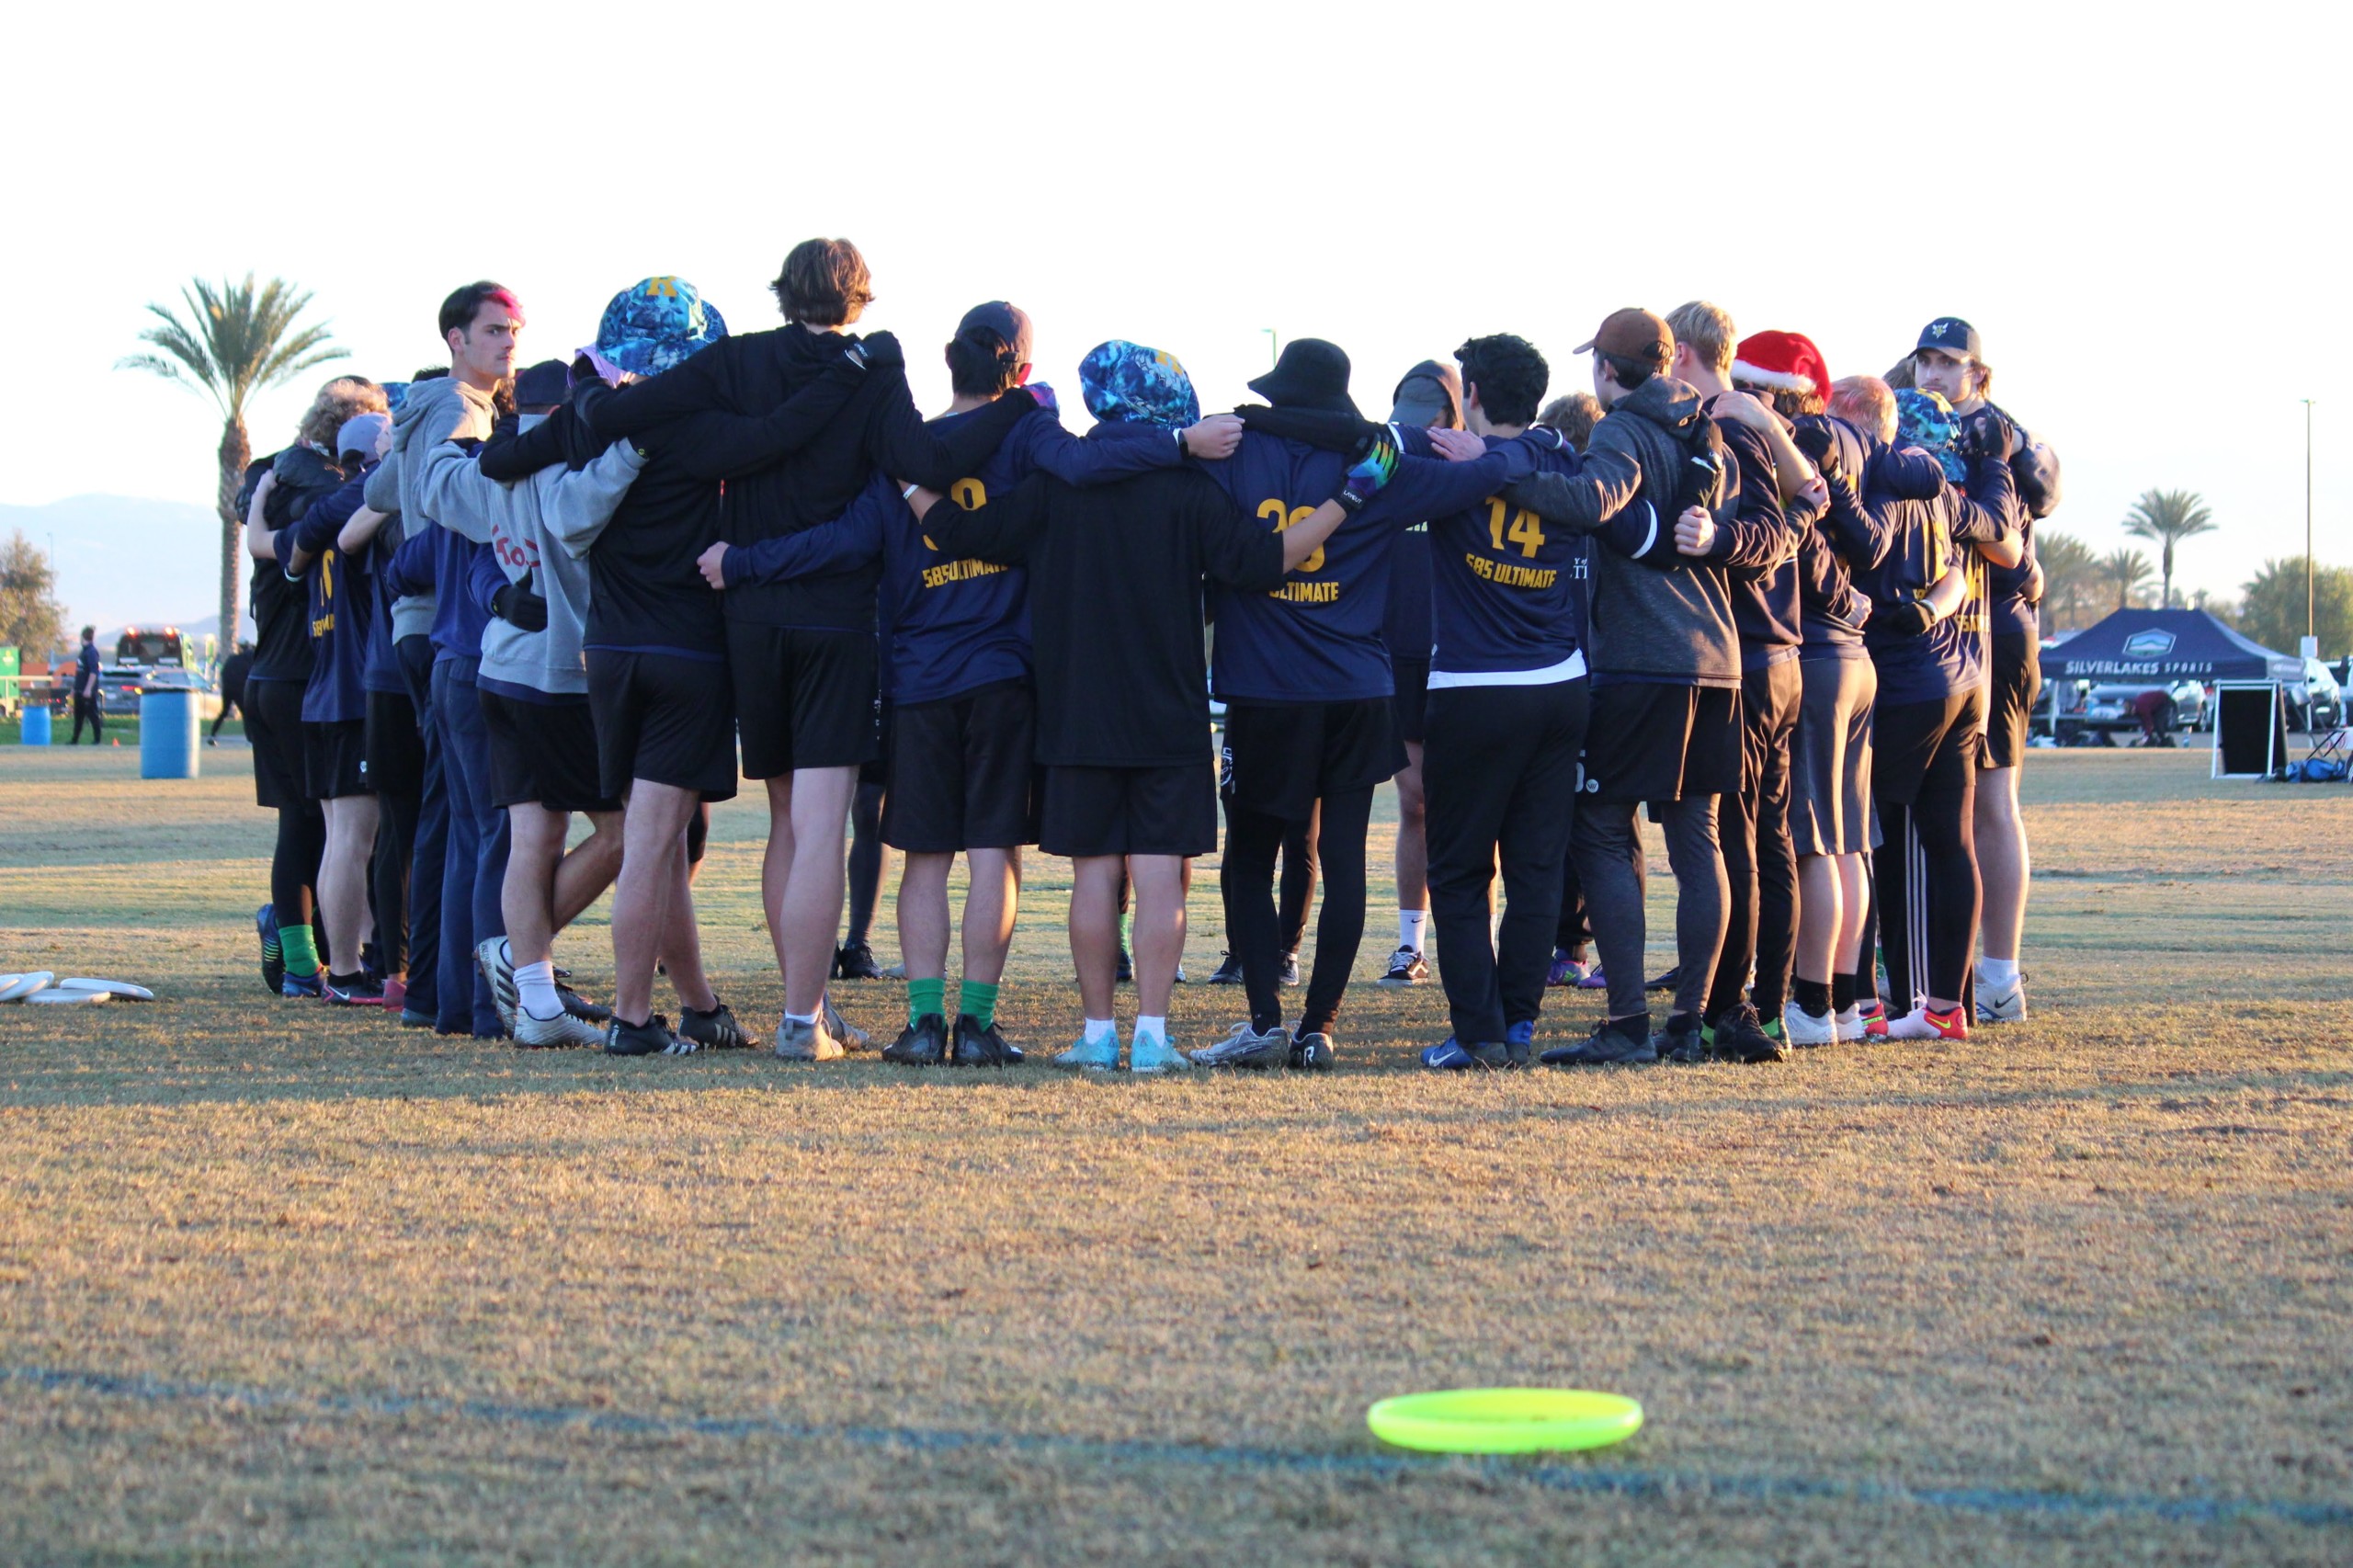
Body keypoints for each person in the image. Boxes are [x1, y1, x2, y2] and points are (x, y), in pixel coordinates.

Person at [705, 303, 1238, 1065]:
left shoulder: (902, 451)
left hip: (919, 681)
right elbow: (1094, 466)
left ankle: (925, 1023)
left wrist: (745, 562)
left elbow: (844, 540)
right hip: (1005, 678)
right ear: (1019, 372)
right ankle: (978, 1025)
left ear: (947, 362)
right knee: (994, 853)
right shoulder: (1032, 438)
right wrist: (1180, 443)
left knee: (924, 856)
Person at [569, 239, 1049, 1062]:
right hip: (835, 620)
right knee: (824, 826)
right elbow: (928, 461)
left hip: (746, 617)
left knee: (786, 824)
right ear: (859, 297)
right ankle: (801, 1020)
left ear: (784, 292)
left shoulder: (735, 361)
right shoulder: (874, 371)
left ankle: (807, 1012)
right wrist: (1021, 403)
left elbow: (615, 415)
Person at [905, 340, 1365, 1072]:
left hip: (1074, 712)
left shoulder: (1056, 483)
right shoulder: (1189, 490)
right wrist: (1347, 502)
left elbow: (961, 532)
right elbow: (1264, 559)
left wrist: (907, 480)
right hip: (1169, 712)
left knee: (1094, 876)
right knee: (1157, 878)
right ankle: (1152, 1035)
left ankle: (1096, 1034)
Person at [480, 276, 874, 1055]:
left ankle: (691, 1005)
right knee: (653, 847)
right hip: (687, 655)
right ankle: (633, 1020)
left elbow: (512, 461)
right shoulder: (701, 433)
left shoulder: (597, 428)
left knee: (652, 838)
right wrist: (849, 374)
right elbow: (782, 436)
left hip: (611, 655)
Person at [1189, 338, 1569, 1070]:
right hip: (1356, 689)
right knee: (1342, 859)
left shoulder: (1233, 447)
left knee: (1249, 860)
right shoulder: (1380, 461)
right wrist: (1532, 449)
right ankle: (1320, 1026)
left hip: (1264, 686)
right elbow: (1473, 483)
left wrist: (1189, 437)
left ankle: (1266, 1019)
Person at [1528, 309, 1768, 1067]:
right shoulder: (1712, 430)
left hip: (1640, 661)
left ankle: (1629, 1023)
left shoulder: (1620, 429)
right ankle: (1688, 1021)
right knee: (1696, 839)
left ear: (1606, 369)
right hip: (1718, 660)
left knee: (1601, 828)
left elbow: (1591, 501)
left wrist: (1505, 471)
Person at [417, 358, 652, 1047]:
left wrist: (427, 416)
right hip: (561, 675)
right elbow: (578, 515)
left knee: (532, 839)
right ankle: (519, 962)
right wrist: (638, 443)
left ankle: (538, 1001)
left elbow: (431, 487)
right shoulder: (562, 466)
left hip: (499, 667)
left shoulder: (491, 465)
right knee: (623, 835)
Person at [1664, 303, 1816, 1063]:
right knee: (1768, 841)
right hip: (1779, 657)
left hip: (1748, 657)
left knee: (1740, 843)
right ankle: (1763, 1004)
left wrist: (1717, 538)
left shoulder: (1722, 423)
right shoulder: (1755, 419)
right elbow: (1810, 497)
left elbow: (1756, 534)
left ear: (1684, 353)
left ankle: (1738, 1007)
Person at [1848, 382, 2023, 1040]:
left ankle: (1862, 1000)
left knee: (1863, 841)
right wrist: (1996, 466)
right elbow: (1996, 535)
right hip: (1962, 679)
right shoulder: (1948, 496)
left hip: (1902, 683)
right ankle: (1948, 1005)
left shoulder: (1880, 490)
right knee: (1951, 843)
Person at [369, 286, 520, 1036]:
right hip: (452, 624)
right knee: (474, 823)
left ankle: (441, 992)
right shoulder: (461, 411)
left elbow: (376, 491)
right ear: (456, 338)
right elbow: (457, 519)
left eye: (514, 331)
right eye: (494, 331)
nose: (509, 343)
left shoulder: (428, 407)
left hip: (423, 624)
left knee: (452, 823)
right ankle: (466, 994)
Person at [1913, 318, 2053, 1024]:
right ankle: (1955, 973)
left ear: (1979, 374)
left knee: (1992, 800)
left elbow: (2008, 545)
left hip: (1994, 629)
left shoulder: (1994, 435)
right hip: (1953, 632)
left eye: (1949, 362)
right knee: (1948, 805)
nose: (1933, 374)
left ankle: (1998, 976)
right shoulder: (1922, 425)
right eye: (1925, 361)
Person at [244, 375, 386, 996]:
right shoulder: (342, 497)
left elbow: (259, 541)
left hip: (265, 676)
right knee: (341, 830)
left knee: (299, 827)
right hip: (315, 677)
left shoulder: (271, 481)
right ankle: (317, 956)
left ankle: (302, 956)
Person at [278, 412, 393, 1005]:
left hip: (322, 693)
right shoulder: (361, 503)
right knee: (354, 839)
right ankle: (346, 973)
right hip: (352, 695)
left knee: (340, 838)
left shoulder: (323, 513)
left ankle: (359, 964)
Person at [1375, 359, 1464, 990]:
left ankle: (1477, 944)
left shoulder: (1472, 463)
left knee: (1472, 808)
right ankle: (1410, 944)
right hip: (1398, 656)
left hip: (1464, 656)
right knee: (1417, 802)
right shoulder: (1383, 459)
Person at [208, 642, 254, 744]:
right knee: (246, 714)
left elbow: (223, 673)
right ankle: (250, 738)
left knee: (224, 712)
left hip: (228, 689)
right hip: (239, 689)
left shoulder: (232, 659)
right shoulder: (248, 659)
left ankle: (212, 734)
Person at [69, 627, 102, 744]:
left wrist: (88, 689)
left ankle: (97, 740)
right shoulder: (83, 652)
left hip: (87, 691)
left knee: (93, 716)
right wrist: (74, 688)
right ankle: (74, 740)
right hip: (79, 689)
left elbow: (94, 672)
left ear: (83, 637)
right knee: (78, 717)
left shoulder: (92, 652)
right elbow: (79, 673)